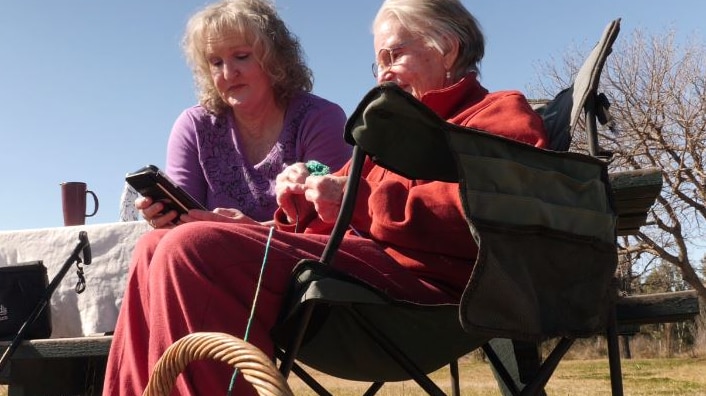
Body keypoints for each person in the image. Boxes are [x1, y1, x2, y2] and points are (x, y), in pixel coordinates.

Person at [102, 0, 547, 394]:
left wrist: (353, 198)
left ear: (447, 48)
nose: (385, 73)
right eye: (379, 62)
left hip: (430, 286)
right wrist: (289, 209)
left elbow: (496, 211)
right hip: (365, 268)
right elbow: (329, 225)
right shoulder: (392, 134)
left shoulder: (497, 113)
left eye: (394, 54)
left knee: (189, 248)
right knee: (153, 246)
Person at [119, 0, 350, 228]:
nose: (229, 74)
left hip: (299, 257)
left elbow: (327, 222)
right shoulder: (194, 126)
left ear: (274, 58)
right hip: (208, 252)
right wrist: (164, 217)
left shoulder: (321, 118)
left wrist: (251, 232)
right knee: (153, 243)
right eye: (216, 62)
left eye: (241, 56)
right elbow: (184, 222)